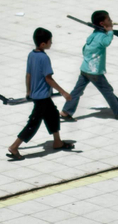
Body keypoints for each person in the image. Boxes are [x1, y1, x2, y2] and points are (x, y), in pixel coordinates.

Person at [7, 27, 74, 160]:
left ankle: (57, 142)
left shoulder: (31, 55)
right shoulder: (44, 58)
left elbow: (28, 74)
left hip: (38, 95)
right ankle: (14, 147)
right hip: (42, 96)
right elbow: (48, 78)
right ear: (43, 44)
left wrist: (28, 91)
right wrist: (63, 92)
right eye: (50, 41)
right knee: (33, 123)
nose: (52, 44)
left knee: (53, 114)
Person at [63, 10, 118, 120]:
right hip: (94, 71)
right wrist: (109, 32)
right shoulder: (101, 36)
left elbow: (84, 49)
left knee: (77, 91)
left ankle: (66, 111)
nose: (111, 21)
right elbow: (106, 42)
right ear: (102, 24)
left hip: (85, 68)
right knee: (107, 91)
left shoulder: (93, 35)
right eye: (108, 19)